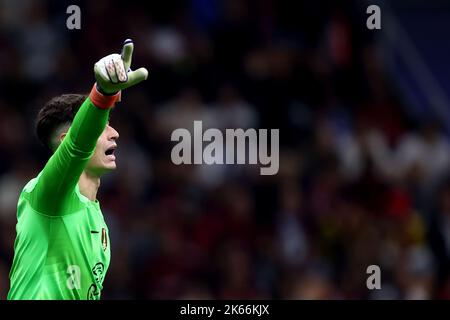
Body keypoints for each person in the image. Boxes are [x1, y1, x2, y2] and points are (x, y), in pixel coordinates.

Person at [7, 39, 148, 300]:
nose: (115, 134)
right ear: (65, 141)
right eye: (103, 127)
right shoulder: (46, 195)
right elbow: (76, 147)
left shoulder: (97, 217)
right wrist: (103, 93)